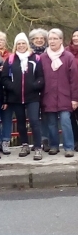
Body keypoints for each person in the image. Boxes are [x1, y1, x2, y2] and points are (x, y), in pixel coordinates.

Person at [1, 33, 44, 160]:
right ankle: (25, 145)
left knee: (34, 121)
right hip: (16, 97)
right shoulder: (10, 60)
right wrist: (12, 86)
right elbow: (4, 78)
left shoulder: (35, 58)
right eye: (18, 43)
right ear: (15, 45)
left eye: (23, 43)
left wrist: (35, 85)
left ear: (27, 44)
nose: (21, 46)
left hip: (32, 96)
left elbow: (41, 76)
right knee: (20, 122)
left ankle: (37, 147)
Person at [41, 28, 78, 157]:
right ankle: (54, 146)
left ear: (61, 40)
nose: (52, 41)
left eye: (55, 38)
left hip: (65, 96)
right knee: (51, 123)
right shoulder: (43, 57)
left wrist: (75, 99)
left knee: (65, 121)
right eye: (50, 39)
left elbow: (74, 80)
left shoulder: (68, 57)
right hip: (48, 96)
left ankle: (69, 147)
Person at [28, 28, 50, 152]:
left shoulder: (49, 53)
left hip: (47, 89)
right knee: (33, 118)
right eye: (36, 38)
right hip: (33, 90)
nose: (39, 40)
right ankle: (37, 141)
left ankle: (45, 140)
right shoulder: (28, 54)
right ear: (32, 40)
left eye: (42, 38)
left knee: (46, 117)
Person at [65, 27, 78, 151]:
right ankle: (75, 141)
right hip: (70, 90)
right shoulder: (66, 52)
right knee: (71, 118)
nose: (76, 38)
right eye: (74, 36)